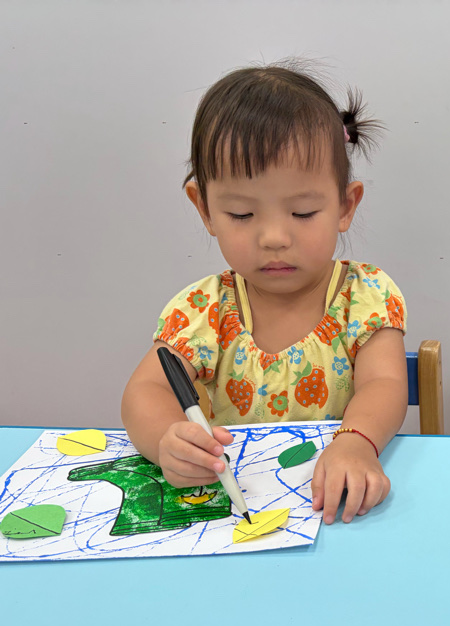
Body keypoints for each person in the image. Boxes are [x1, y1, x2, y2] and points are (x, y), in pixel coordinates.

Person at [122, 62, 407, 525]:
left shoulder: (365, 295)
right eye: (241, 214)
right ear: (204, 209)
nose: (274, 237)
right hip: (234, 516)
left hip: (334, 507)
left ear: (345, 205)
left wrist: (357, 442)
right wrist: (166, 441)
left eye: (303, 212)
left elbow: (385, 384)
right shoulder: (203, 309)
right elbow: (146, 390)